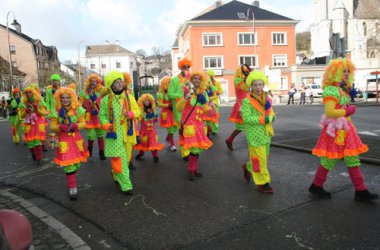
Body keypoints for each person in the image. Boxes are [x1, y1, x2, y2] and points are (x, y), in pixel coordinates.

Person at [309, 58, 378, 202]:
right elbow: (330, 112)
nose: (346, 74)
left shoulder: (340, 89)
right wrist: (348, 111)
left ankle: (360, 190)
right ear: (334, 72)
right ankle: (317, 185)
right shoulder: (331, 90)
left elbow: (339, 108)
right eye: (343, 71)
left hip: (345, 129)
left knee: (351, 159)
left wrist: (346, 108)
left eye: (348, 71)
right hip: (336, 131)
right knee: (330, 159)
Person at [99, 70, 138, 195]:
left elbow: (139, 112)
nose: (120, 84)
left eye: (121, 81)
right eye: (117, 82)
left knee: (125, 160)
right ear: (111, 85)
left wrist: (132, 114)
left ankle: (116, 174)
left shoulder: (130, 98)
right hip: (114, 135)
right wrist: (106, 125)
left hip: (128, 133)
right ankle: (126, 185)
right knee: (120, 160)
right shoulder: (105, 100)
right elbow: (102, 115)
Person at [49, 87, 89, 200]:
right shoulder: (56, 111)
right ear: (59, 99)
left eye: (68, 97)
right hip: (64, 141)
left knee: (76, 164)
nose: (65, 100)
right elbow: (52, 127)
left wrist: (76, 126)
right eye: (63, 98)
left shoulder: (77, 109)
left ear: (71, 98)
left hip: (76, 141)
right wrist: (60, 127)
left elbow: (84, 123)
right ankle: (72, 188)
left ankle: (72, 178)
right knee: (68, 165)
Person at [241, 71, 276, 193]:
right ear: (251, 86)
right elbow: (246, 119)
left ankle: (248, 167)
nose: (258, 88)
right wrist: (264, 119)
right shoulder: (247, 101)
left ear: (263, 85)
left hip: (266, 133)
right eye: (255, 85)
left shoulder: (267, 99)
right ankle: (262, 182)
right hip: (254, 135)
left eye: (260, 85)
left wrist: (272, 116)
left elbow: (271, 112)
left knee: (262, 158)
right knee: (259, 160)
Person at [176, 71, 213, 181]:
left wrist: (209, 111)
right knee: (194, 149)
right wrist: (186, 98)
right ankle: (191, 169)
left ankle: (194, 168)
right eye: (194, 78)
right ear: (190, 80)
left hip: (200, 124)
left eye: (198, 79)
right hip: (189, 124)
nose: (196, 80)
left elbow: (205, 107)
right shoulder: (186, 91)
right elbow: (178, 108)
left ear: (202, 81)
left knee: (198, 149)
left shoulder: (204, 93)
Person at [79, 74, 108, 160]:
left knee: (100, 135)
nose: (92, 83)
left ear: (97, 82)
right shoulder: (84, 92)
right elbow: (79, 104)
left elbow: (109, 91)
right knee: (90, 136)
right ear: (88, 82)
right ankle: (90, 149)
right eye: (91, 81)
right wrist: (83, 109)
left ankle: (101, 152)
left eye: (94, 81)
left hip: (99, 116)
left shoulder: (101, 91)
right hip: (89, 116)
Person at [167, 58, 191, 160]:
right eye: (184, 67)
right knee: (182, 130)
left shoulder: (191, 79)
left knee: (190, 130)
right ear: (180, 68)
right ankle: (185, 153)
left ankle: (189, 149)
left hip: (190, 108)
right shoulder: (175, 80)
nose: (186, 69)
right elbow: (169, 94)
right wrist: (181, 96)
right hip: (179, 109)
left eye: (188, 67)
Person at [19, 85, 47, 165]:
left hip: (38, 124)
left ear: (34, 93)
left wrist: (36, 110)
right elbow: (21, 116)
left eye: (30, 92)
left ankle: (39, 158)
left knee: (38, 142)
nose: (28, 94)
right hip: (28, 124)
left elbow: (44, 113)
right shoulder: (23, 103)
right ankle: (33, 153)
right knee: (30, 144)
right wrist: (26, 111)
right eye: (26, 93)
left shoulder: (40, 101)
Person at [225, 64, 251, 151]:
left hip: (249, 105)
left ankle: (252, 145)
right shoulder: (238, 80)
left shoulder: (246, 80)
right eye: (245, 71)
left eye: (248, 71)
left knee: (250, 125)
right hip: (242, 106)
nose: (247, 72)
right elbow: (246, 88)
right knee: (241, 127)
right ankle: (229, 139)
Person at [134, 94, 164, 162]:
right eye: (145, 101)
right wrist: (140, 118)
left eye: (148, 101)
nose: (146, 102)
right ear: (142, 102)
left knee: (153, 142)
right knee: (143, 142)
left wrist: (155, 117)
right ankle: (141, 153)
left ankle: (155, 156)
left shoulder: (153, 110)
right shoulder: (141, 111)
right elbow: (139, 118)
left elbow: (156, 120)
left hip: (152, 130)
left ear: (151, 101)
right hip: (143, 130)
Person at [122, 72, 141, 170]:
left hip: (131, 122)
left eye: (124, 81)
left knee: (131, 142)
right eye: (121, 81)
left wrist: (132, 114)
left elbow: (135, 106)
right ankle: (123, 164)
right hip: (121, 123)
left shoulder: (130, 92)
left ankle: (130, 161)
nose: (122, 83)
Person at [157, 76, 178, 151]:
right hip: (166, 113)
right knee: (171, 130)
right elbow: (159, 104)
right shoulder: (161, 94)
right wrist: (168, 105)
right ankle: (172, 145)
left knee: (175, 128)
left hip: (174, 113)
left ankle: (168, 138)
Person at [207, 70, 223, 135]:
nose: (209, 77)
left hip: (215, 102)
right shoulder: (205, 83)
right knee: (207, 116)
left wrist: (218, 92)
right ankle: (209, 129)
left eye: (210, 76)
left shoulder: (217, 83)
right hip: (207, 102)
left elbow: (221, 90)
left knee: (215, 116)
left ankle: (215, 129)